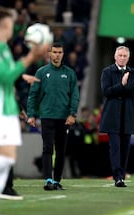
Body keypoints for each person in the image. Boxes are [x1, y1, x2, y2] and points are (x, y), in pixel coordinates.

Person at [0, 6, 48, 215]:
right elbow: (5, 76)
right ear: (4, 25)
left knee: (7, 158)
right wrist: (31, 56)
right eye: (12, 24)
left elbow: (8, 74)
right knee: (2, 157)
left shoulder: (3, 48)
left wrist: (23, 75)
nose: (14, 28)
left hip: (6, 108)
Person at [27, 42, 80, 191]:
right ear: (49, 54)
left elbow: (75, 95)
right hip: (47, 116)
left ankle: (57, 180)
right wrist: (31, 114)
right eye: (55, 52)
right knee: (47, 147)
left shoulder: (70, 73)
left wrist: (72, 113)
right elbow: (33, 94)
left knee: (62, 150)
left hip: (64, 118)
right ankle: (48, 179)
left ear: (63, 54)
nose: (57, 55)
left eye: (60, 52)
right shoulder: (41, 72)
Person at [99, 46, 134, 187]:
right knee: (115, 147)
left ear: (128, 58)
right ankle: (117, 176)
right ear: (115, 57)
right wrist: (122, 84)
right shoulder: (107, 72)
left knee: (125, 148)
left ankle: (122, 175)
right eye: (120, 55)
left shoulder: (133, 72)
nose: (122, 58)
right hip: (113, 116)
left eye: (125, 56)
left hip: (127, 115)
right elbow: (106, 92)